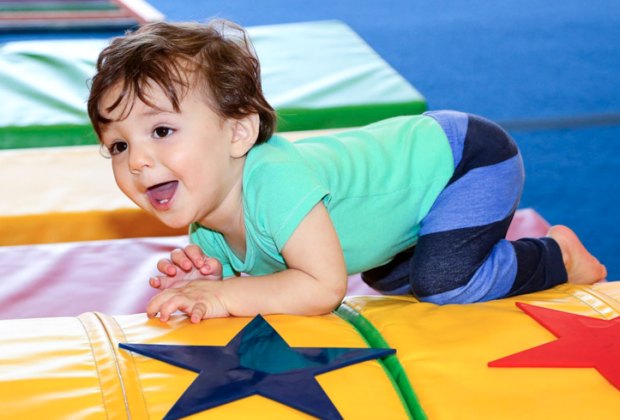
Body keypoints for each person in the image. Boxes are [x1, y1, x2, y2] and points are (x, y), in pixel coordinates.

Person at [87, 20, 607, 323]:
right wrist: (210, 277)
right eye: (116, 145)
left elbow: (323, 287)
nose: (136, 160)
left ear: (239, 134)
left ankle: (557, 256)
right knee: (388, 277)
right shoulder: (210, 223)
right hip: (407, 199)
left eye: (161, 132)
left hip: (464, 160)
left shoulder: (275, 180)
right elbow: (269, 272)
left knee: (445, 285)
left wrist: (226, 294)